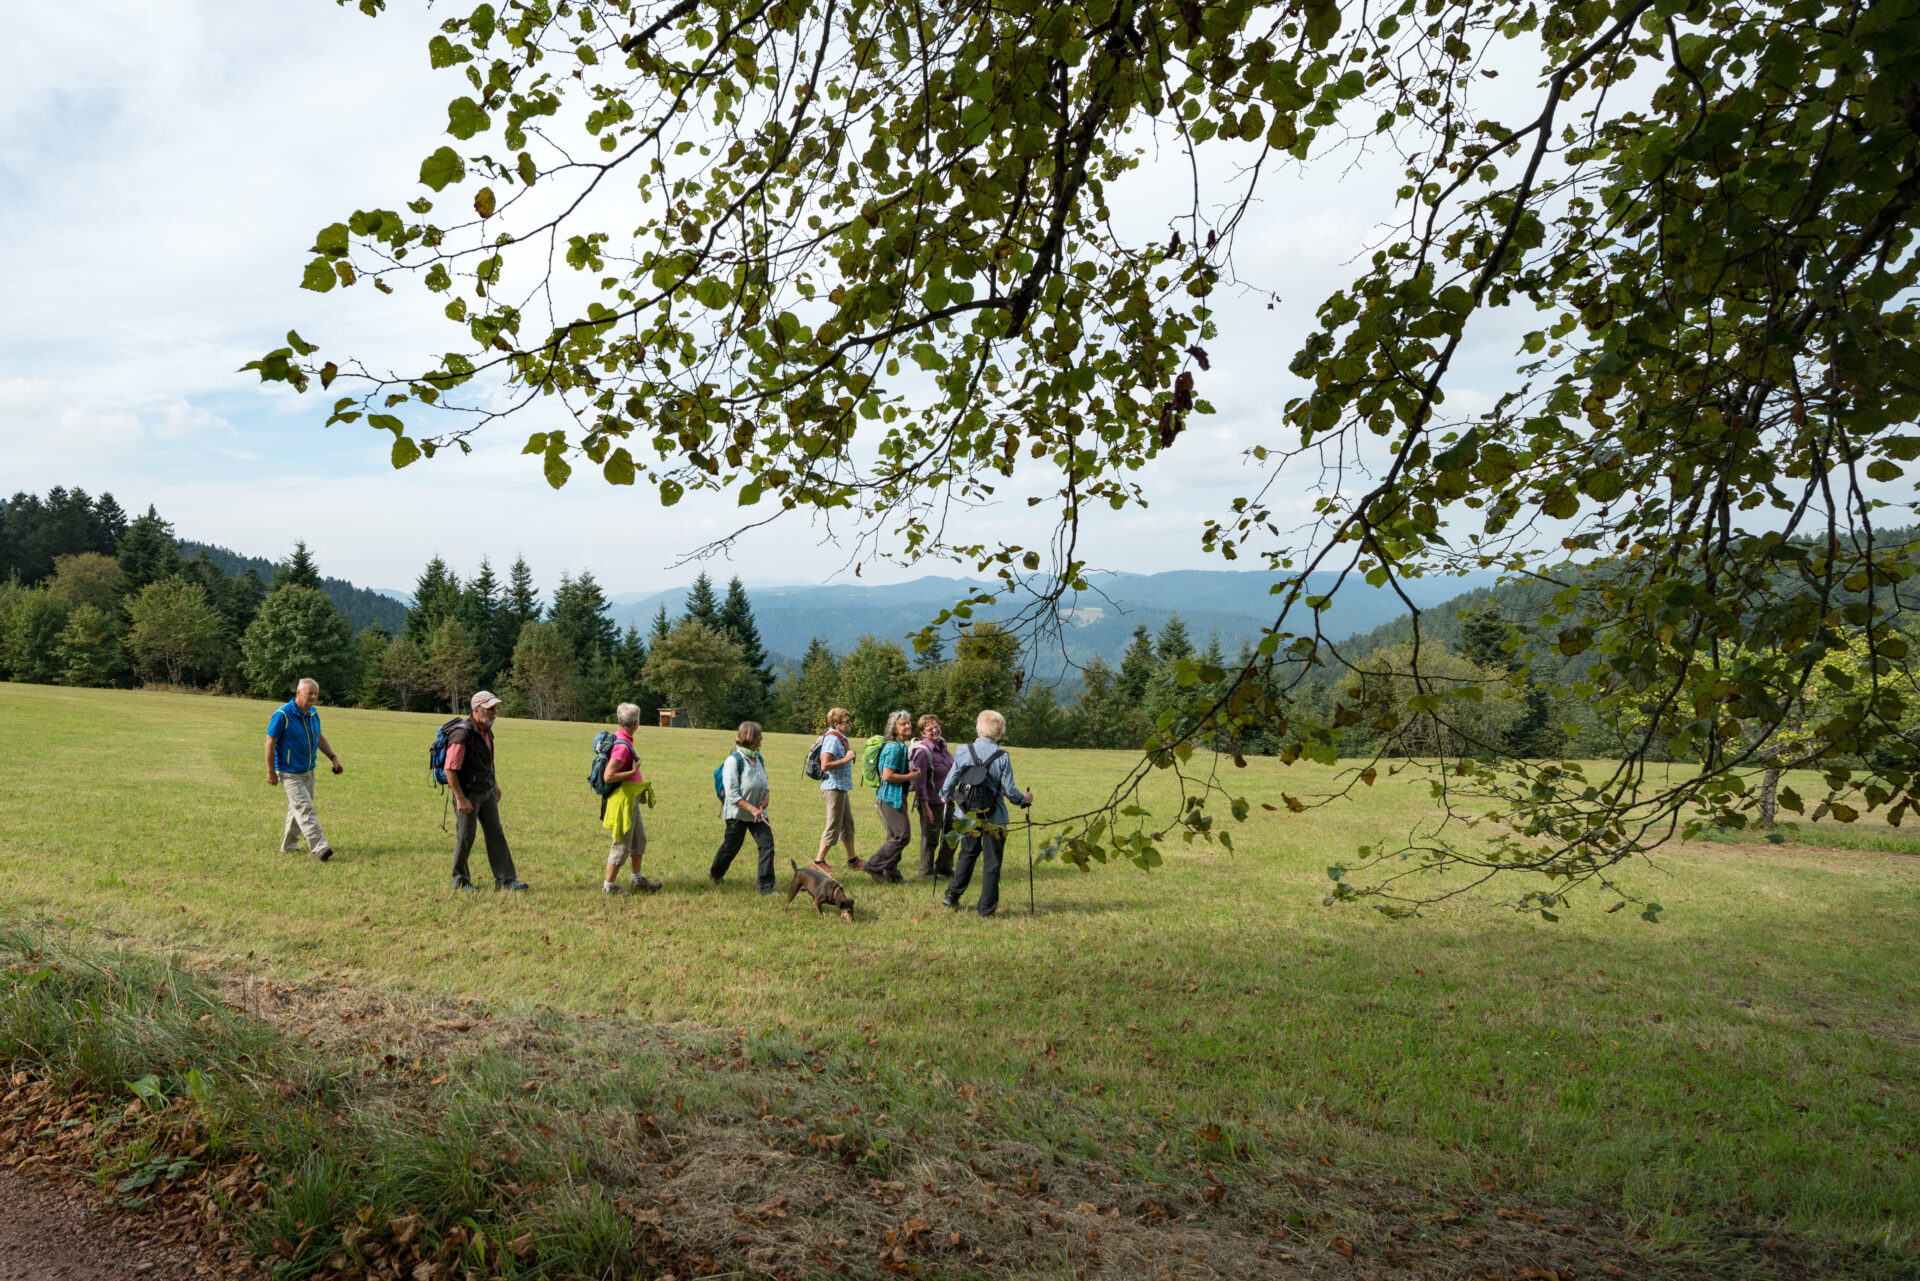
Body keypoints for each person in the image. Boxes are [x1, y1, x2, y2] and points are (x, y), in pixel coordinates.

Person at [940, 709, 1033, 917]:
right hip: (995, 816)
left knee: (967, 854)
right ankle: (986, 909)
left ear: (979, 727)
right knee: (992, 862)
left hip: (967, 815)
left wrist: (945, 794)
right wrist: (1024, 800)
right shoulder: (1002, 756)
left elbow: (952, 777)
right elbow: (1009, 790)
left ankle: (952, 894)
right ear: (1000, 732)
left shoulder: (964, 750)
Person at [444, 690, 529, 892]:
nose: (495, 712)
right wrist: (460, 798)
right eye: (490, 708)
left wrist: (494, 783)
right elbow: (450, 768)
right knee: (466, 836)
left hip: (486, 791)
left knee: (495, 833)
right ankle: (460, 880)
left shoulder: (486, 730)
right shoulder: (462, 733)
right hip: (468, 794)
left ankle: (505, 879)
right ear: (476, 710)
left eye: (495, 708)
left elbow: (488, 761)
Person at [264, 677, 343, 863]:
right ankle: (320, 846)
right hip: (289, 772)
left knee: (297, 809)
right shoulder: (282, 714)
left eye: (316, 693)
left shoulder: (313, 713)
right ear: (298, 693)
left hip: (308, 770)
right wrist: (270, 771)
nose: (313, 697)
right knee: (305, 809)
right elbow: (270, 742)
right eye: (310, 693)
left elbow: (319, 737)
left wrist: (333, 757)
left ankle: (289, 847)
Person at [710, 721, 777, 893]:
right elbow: (732, 794)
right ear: (750, 737)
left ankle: (766, 887)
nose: (762, 737)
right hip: (737, 814)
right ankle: (715, 873)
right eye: (759, 735)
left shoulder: (758, 757)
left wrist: (766, 795)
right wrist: (751, 808)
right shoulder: (733, 760)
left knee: (767, 845)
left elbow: (764, 780)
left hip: (759, 813)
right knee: (732, 846)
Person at [601, 702, 660, 894]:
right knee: (622, 843)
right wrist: (633, 771)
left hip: (630, 799)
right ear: (636, 723)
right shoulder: (623, 747)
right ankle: (609, 886)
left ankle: (637, 879)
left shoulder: (623, 738)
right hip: (623, 802)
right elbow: (608, 776)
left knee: (637, 839)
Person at [863, 710, 918, 883]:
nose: (908, 726)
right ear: (894, 729)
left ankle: (893, 874)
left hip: (895, 795)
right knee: (902, 835)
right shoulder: (893, 748)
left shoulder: (900, 746)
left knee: (894, 835)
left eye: (908, 723)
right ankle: (873, 866)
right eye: (903, 724)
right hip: (889, 797)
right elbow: (887, 775)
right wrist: (910, 777)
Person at [909, 713, 955, 879]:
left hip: (948, 799)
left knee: (953, 833)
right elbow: (920, 782)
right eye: (930, 729)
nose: (935, 730)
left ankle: (944, 866)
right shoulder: (922, 752)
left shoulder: (943, 746)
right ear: (923, 733)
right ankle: (925, 871)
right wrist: (925, 806)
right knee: (931, 837)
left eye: (936, 726)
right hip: (931, 802)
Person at [814, 707, 860, 870]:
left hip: (841, 787)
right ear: (836, 724)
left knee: (847, 824)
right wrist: (847, 758)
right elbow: (825, 764)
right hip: (833, 788)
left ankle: (852, 860)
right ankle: (818, 862)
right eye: (846, 722)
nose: (849, 724)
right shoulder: (833, 739)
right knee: (834, 824)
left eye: (849, 720)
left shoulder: (840, 736)